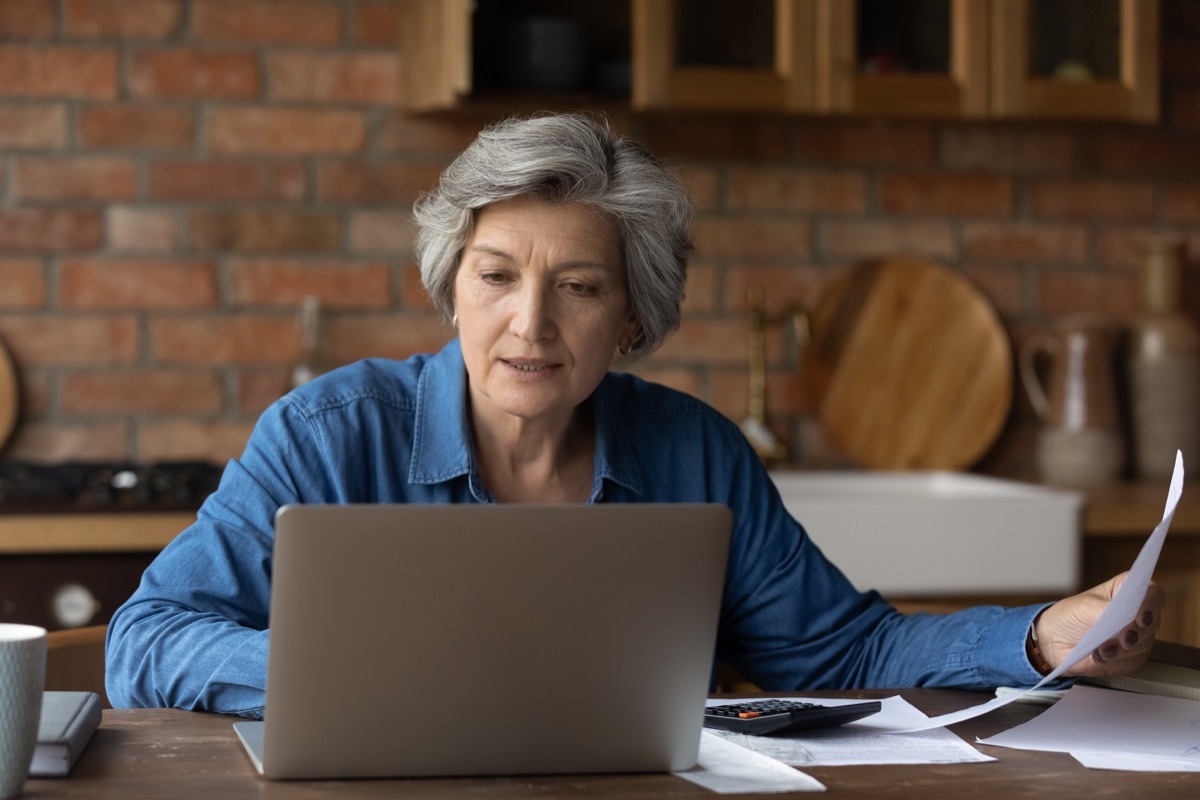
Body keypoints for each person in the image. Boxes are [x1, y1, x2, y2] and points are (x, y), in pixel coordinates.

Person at [105, 113, 1163, 718]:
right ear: (451, 286)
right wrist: (344, 671)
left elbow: (845, 651)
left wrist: (1034, 635)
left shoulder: (693, 449)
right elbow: (145, 642)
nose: (530, 323)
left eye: (578, 285)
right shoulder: (327, 433)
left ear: (632, 317)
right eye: (496, 274)